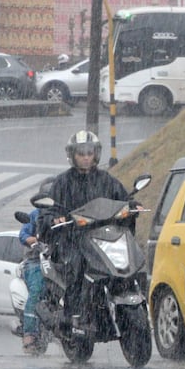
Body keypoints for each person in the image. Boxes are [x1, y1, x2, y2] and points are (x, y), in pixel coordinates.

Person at [37, 130, 130, 333]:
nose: (86, 157)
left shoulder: (106, 180)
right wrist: (54, 218)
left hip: (103, 237)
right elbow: (49, 210)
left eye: (90, 152)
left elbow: (123, 198)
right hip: (73, 240)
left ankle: (127, 296)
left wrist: (133, 206)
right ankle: (74, 315)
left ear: (96, 154)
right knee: (77, 266)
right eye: (81, 153)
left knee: (127, 258)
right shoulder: (62, 183)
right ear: (72, 155)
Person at [17, 176, 57, 355]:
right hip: (36, 260)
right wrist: (34, 241)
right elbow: (23, 234)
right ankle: (29, 335)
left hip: (59, 260)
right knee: (37, 290)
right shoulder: (35, 216)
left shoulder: (64, 214)